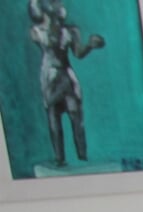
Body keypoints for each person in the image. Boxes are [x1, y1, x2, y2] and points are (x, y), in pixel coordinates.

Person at [28, 0, 105, 167]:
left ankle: (82, 157)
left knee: (76, 115)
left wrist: (90, 45)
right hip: (50, 78)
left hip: (66, 76)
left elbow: (78, 53)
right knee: (54, 117)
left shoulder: (70, 31)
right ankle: (59, 159)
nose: (60, 6)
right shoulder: (38, 32)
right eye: (54, 3)